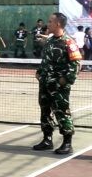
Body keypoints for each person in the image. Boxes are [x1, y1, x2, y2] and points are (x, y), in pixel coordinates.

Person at [33, 12, 82, 154]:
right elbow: (46, 60)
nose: (47, 24)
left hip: (59, 87)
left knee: (62, 112)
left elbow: (76, 64)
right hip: (45, 83)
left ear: (58, 24)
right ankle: (47, 139)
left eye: (50, 21)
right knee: (45, 112)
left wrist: (65, 80)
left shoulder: (68, 42)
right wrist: (39, 72)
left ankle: (67, 143)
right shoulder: (50, 41)